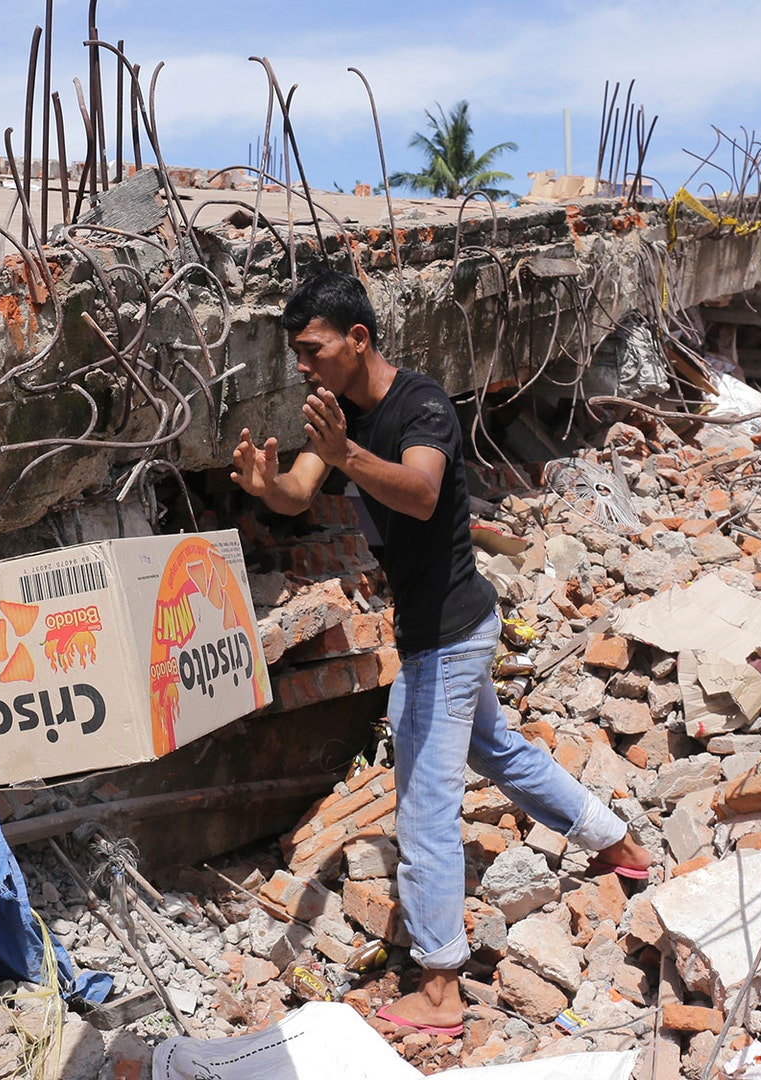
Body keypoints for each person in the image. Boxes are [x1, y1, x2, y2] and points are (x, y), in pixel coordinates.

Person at [229, 272, 652, 1037]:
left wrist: (346, 454)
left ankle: (440, 985)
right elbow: (300, 488)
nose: (302, 366)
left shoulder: (420, 406)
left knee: (423, 805)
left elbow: (421, 494)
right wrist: (269, 487)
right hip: (446, 627)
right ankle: (618, 843)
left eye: (311, 349)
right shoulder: (346, 415)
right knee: (498, 751)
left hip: (447, 636)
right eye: (296, 352)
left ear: (357, 340)